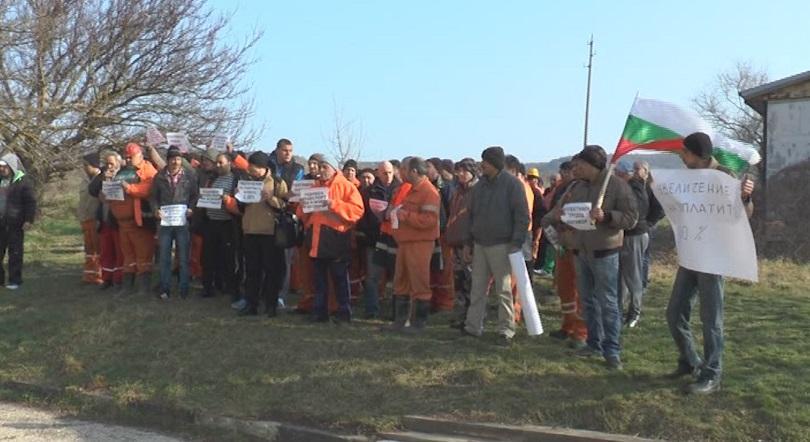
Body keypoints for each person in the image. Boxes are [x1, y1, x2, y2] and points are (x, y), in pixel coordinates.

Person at [666, 132, 754, 395]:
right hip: (691, 252)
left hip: (713, 257)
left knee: (710, 319)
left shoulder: (724, 176)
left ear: (699, 154)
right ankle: (690, 361)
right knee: (674, 313)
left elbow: (742, 215)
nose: (682, 157)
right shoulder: (688, 178)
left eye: (685, 153)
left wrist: (745, 197)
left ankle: (712, 373)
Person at [550, 146, 637, 370]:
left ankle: (612, 350)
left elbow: (631, 218)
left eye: (580, 165)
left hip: (605, 252)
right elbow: (564, 209)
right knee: (587, 301)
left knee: (608, 302)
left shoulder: (617, 186)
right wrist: (561, 216)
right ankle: (593, 343)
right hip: (581, 252)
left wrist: (607, 216)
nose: (576, 169)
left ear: (593, 165)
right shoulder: (576, 187)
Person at [461, 146, 529, 346]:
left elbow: (522, 216)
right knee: (477, 288)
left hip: (503, 245)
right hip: (480, 244)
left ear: (496, 164)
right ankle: (473, 327)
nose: (482, 165)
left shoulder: (513, 185)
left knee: (504, 290)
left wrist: (516, 243)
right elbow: (470, 215)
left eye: (486, 161)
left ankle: (506, 329)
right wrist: (468, 243)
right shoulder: (479, 186)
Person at [297, 154, 364, 323]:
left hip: (336, 239)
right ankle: (320, 313)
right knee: (319, 280)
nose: (321, 171)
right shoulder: (314, 187)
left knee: (340, 279)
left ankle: (344, 312)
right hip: (317, 239)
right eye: (319, 167)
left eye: (324, 167)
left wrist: (333, 204)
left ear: (334, 169)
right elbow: (302, 213)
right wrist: (303, 207)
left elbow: (357, 211)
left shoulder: (347, 187)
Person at [384, 157, 441, 332]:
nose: (400, 172)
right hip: (405, 242)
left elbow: (430, 220)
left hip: (420, 243)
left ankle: (418, 323)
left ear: (414, 171)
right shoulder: (410, 190)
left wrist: (405, 216)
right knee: (401, 282)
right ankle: (400, 321)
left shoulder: (429, 192)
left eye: (403, 169)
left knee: (419, 283)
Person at [541, 161, 588, 350]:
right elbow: (556, 209)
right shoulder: (567, 188)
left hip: (581, 247)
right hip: (563, 244)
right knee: (565, 288)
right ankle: (567, 325)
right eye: (572, 168)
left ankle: (581, 333)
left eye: (578, 167)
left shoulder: (593, 189)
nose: (574, 171)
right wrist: (550, 219)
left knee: (581, 292)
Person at [237, 151, 288, 316]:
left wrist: (270, 199)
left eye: (253, 167)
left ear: (263, 168)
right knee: (252, 270)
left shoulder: (277, 182)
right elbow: (240, 208)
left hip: (270, 232)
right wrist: (239, 197)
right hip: (250, 230)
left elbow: (285, 206)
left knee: (272, 270)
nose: (250, 169)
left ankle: (271, 305)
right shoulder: (246, 181)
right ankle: (251, 304)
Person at [108, 143, 157, 296]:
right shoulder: (122, 171)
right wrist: (106, 190)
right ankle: (127, 286)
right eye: (126, 157)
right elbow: (110, 194)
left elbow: (148, 189)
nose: (128, 160)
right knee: (128, 256)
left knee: (143, 255)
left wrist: (129, 188)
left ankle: (143, 288)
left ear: (140, 155)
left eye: (131, 157)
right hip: (122, 223)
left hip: (139, 222)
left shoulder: (148, 169)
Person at [151, 146, 199, 300]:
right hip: (165, 223)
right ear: (168, 160)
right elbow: (152, 197)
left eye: (178, 159)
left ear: (181, 160)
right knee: (164, 257)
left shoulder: (189, 177)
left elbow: (194, 196)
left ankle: (183, 288)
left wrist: (192, 208)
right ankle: (165, 288)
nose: (175, 162)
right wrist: (155, 210)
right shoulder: (158, 177)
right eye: (172, 159)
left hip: (182, 222)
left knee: (184, 257)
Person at [358, 161, 400, 319]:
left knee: (397, 277)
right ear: (378, 173)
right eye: (384, 173)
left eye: (390, 172)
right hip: (374, 240)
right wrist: (368, 231)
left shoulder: (401, 189)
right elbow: (362, 214)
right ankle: (371, 310)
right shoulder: (369, 192)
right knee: (372, 277)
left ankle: (397, 312)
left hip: (395, 239)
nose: (388, 176)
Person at [199, 149, 242, 300]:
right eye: (216, 162)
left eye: (221, 162)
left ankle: (229, 286)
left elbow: (239, 202)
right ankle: (208, 287)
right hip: (211, 222)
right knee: (208, 257)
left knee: (228, 257)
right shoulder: (212, 179)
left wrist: (226, 198)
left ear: (229, 163)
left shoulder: (235, 179)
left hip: (227, 223)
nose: (218, 165)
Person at [268, 138, 304, 310]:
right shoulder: (268, 164)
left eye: (291, 150)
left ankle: (281, 296)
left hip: (286, 217)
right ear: (277, 150)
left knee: (285, 260)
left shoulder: (297, 169)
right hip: (266, 215)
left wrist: (279, 195)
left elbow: (295, 192)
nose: (288, 153)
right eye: (285, 150)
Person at [615, 160, 650, 328]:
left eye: (617, 174)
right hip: (625, 235)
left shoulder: (635, 189)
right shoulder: (630, 187)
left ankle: (634, 312)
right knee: (621, 276)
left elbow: (636, 211)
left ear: (623, 174)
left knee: (633, 275)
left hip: (634, 235)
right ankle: (619, 310)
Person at [444, 158, 478, 328]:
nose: (460, 174)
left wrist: (469, 243)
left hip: (469, 245)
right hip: (455, 242)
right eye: (458, 171)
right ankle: (461, 315)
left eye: (464, 171)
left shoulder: (477, 191)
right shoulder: (458, 191)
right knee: (458, 282)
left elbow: (475, 220)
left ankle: (473, 317)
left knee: (471, 282)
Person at [89, 151, 125, 291]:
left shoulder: (124, 175)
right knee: (106, 252)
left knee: (119, 252)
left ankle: (118, 279)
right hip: (104, 219)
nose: (109, 166)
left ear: (118, 163)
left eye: (112, 163)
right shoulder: (103, 175)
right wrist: (102, 178)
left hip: (118, 220)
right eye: (107, 163)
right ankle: (107, 279)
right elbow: (91, 190)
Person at [0, 152, 36, 290]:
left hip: (15, 223)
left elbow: (30, 202)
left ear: (12, 167)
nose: (2, 169)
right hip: (0, 223)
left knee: (15, 253)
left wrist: (28, 220)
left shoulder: (23, 182)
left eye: (4, 167)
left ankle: (15, 281)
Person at [78, 153, 103, 285]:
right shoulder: (84, 181)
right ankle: (89, 275)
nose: (84, 168)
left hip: (96, 219)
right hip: (85, 219)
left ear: (94, 165)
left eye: (86, 165)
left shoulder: (101, 179)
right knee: (89, 250)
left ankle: (99, 275)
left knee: (98, 249)